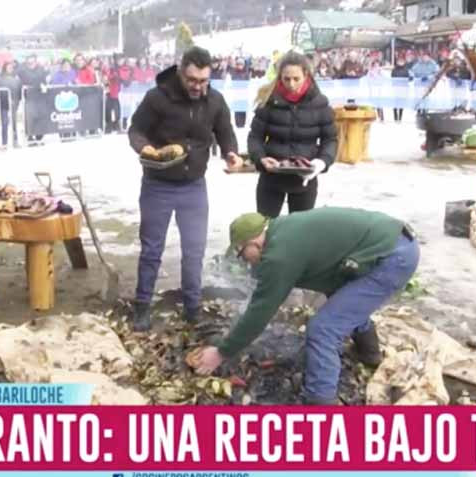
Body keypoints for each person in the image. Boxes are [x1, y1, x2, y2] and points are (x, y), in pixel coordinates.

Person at [194, 207, 420, 405]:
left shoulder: (280, 254)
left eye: (243, 253)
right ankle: (369, 353)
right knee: (344, 303)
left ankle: (320, 404)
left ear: (255, 241)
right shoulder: (281, 231)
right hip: (388, 243)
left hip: (391, 257)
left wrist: (222, 352)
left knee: (323, 328)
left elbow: (261, 311)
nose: (244, 260)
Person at [128, 46, 243, 331]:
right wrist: (147, 149)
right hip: (158, 185)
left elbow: (225, 131)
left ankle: (193, 308)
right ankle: (142, 307)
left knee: (195, 250)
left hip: (194, 186)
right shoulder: (157, 98)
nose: (197, 86)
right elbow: (135, 130)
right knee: (152, 250)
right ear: (181, 73)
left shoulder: (215, 100)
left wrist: (231, 152)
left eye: (203, 81)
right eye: (192, 80)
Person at [246, 51, 337, 218]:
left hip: (304, 179)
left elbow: (330, 139)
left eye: (296, 79)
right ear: (280, 76)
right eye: (286, 79)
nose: (291, 84)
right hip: (271, 177)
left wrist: (321, 163)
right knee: (266, 228)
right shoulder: (268, 101)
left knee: (299, 233)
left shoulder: (320, 104)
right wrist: (260, 158)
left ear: (306, 75)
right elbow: (255, 137)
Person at [0, 61, 22, 148]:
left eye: (11, 67)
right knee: (4, 123)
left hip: (14, 104)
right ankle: (4, 142)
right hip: (4, 104)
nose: (10, 69)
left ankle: (15, 141)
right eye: (8, 67)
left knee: (14, 123)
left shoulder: (16, 78)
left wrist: (17, 101)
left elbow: (19, 90)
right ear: (5, 68)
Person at [391, 56, 410, 123]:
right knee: (395, 103)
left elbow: (408, 78)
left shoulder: (406, 70)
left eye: (402, 61)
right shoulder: (394, 70)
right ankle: (395, 117)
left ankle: (400, 117)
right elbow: (392, 78)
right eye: (399, 61)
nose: (400, 62)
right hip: (396, 89)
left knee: (402, 103)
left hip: (403, 89)